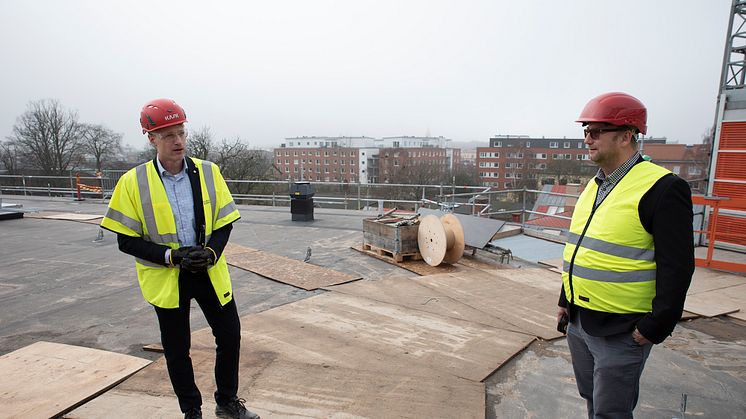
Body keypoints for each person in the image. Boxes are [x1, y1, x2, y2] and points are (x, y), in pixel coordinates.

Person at [101, 98, 260, 419]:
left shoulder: (208, 172)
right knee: (177, 350)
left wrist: (212, 252)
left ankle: (227, 402)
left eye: (181, 133)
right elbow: (125, 240)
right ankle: (191, 410)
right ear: (151, 139)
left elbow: (225, 221)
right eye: (169, 135)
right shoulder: (133, 182)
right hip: (167, 277)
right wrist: (170, 256)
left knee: (230, 337)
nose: (178, 141)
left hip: (209, 271)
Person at [556, 92, 694, 418]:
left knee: (611, 412)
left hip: (621, 330)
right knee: (591, 399)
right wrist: (566, 300)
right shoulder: (595, 184)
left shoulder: (662, 187)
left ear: (626, 135)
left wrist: (655, 326)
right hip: (579, 320)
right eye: (585, 131)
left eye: (595, 131)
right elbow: (580, 247)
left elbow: (678, 266)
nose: (587, 139)